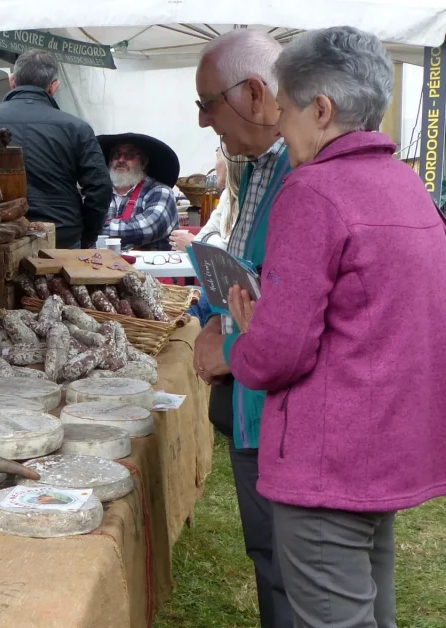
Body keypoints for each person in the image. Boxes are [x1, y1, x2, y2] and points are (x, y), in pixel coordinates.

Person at [226, 27, 446, 628]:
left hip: (329, 462)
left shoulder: (313, 191)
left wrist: (247, 339)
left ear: (320, 111)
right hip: (388, 450)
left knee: (335, 618)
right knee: (373, 611)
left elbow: (279, 353)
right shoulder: (408, 185)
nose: (278, 126)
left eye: (286, 110)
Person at [192, 29, 294, 628]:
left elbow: (292, 312)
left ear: (256, 93)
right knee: (269, 555)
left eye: (208, 104)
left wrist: (229, 345)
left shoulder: (301, 180)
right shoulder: (256, 169)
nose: (206, 122)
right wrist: (211, 320)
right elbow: (248, 273)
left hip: (277, 408)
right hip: (253, 404)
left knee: (289, 566)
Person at [0, 50, 111, 249]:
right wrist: (87, 236)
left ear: (12, 81)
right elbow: (100, 188)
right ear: (54, 86)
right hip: (61, 237)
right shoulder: (76, 128)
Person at [97, 133, 180, 250]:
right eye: (116, 154)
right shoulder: (99, 192)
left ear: (143, 162)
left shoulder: (160, 191)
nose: (121, 159)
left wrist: (92, 229)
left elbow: (149, 228)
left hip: (150, 266)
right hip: (103, 264)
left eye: (129, 155)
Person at [171, 149, 245, 251]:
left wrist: (198, 242)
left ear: (230, 163)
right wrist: (209, 241)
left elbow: (229, 247)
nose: (215, 167)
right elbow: (203, 236)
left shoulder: (248, 200)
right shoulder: (227, 195)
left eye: (218, 158)